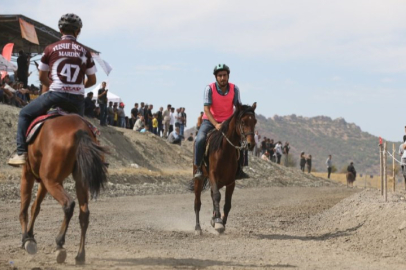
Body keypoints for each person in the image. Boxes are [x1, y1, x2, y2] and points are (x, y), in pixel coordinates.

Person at [8, 13, 97, 165]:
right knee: (84, 128)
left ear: (60, 30)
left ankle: (22, 152)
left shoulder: (50, 48)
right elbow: (93, 80)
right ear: (78, 31)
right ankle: (92, 159)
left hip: (56, 94)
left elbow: (42, 77)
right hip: (77, 100)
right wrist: (77, 87)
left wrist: (55, 85)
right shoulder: (85, 52)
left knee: (24, 113)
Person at [193, 64, 249, 180]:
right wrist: (216, 124)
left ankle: (240, 169)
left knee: (243, 139)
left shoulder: (234, 89)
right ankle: (198, 167)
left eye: (225, 75)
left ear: (228, 76)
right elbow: (206, 110)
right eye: (220, 76)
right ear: (216, 77)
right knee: (199, 140)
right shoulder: (209, 89)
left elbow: (237, 107)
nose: (223, 78)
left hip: (228, 121)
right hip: (210, 121)